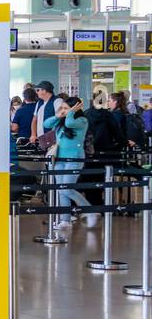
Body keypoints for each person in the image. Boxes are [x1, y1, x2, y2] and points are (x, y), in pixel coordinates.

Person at [44, 96, 97, 226]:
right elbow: (46, 124)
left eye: (66, 108)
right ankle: (65, 220)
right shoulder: (61, 120)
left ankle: (90, 211)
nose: (64, 110)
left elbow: (70, 124)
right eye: (62, 107)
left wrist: (71, 113)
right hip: (59, 159)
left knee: (67, 188)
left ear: (75, 108)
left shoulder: (82, 120)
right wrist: (57, 116)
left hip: (74, 158)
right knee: (61, 189)